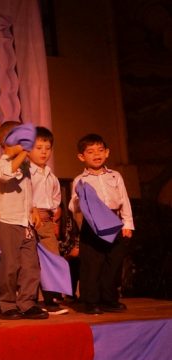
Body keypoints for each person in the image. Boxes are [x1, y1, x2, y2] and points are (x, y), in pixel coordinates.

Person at [68, 133, 134, 314]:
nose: (96, 154)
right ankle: (90, 301)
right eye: (90, 152)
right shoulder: (80, 180)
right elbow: (73, 207)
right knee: (92, 264)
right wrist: (78, 198)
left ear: (107, 153)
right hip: (93, 224)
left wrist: (127, 224)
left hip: (114, 221)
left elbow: (124, 200)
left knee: (113, 263)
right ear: (81, 157)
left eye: (100, 150)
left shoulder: (115, 176)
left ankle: (109, 299)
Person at [0, 121, 48, 320]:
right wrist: (23, 152)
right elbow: (6, 175)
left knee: (30, 265)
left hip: (25, 223)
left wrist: (33, 209)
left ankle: (27, 302)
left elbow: (27, 191)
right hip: (7, 222)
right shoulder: (2, 163)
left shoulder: (25, 165)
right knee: (8, 266)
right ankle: (7, 304)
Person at [29, 126, 68, 314]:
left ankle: (51, 299)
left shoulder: (51, 175)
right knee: (30, 262)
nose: (43, 152)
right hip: (29, 220)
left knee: (52, 258)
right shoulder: (26, 172)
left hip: (46, 222)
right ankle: (30, 300)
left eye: (47, 148)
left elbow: (55, 199)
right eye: (38, 148)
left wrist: (54, 217)